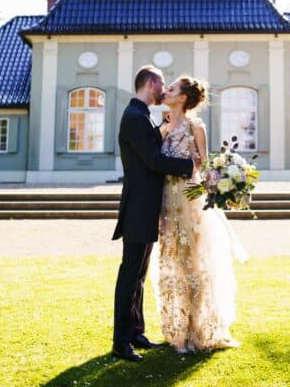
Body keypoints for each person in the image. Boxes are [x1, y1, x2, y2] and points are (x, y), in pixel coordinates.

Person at [154, 75, 248, 353]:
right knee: (171, 262)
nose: (166, 91)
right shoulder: (163, 125)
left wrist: (229, 184)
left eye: (171, 89)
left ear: (182, 97)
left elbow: (205, 168)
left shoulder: (196, 126)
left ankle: (199, 330)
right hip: (166, 201)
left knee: (194, 264)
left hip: (189, 199)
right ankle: (177, 330)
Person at [111, 65, 198, 363]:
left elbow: (151, 152)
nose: (163, 90)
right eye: (161, 84)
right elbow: (152, 160)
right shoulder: (134, 117)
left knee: (139, 276)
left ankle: (136, 331)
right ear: (150, 84)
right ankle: (120, 341)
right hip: (138, 207)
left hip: (146, 207)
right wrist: (187, 167)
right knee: (129, 275)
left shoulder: (142, 116)